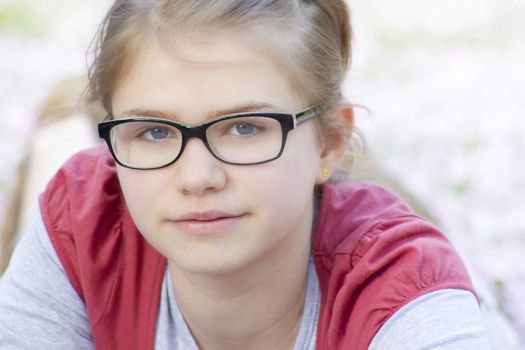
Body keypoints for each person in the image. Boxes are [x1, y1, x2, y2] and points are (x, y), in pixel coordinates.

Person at [0, 1, 490, 349]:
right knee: (58, 149)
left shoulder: (406, 295)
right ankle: (66, 116)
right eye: (153, 131)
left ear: (331, 140)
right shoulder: (81, 224)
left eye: (245, 127)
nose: (196, 177)